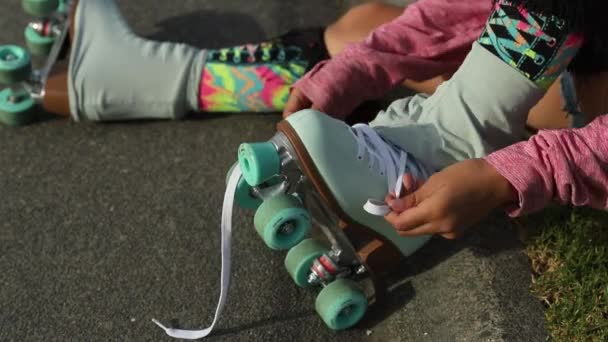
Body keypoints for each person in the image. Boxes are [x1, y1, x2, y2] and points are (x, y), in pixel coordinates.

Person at [283, 0, 608, 239]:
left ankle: (460, 133)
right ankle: (316, 55)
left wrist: (513, 174)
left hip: (588, 93)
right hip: (578, 51)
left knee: (353, 34)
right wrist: (361, 65)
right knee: (356, 27)